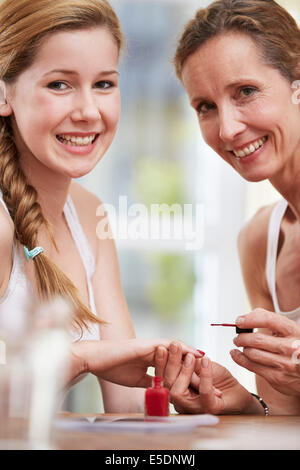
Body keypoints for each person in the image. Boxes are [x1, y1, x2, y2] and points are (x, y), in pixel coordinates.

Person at [0, 0, 201, 413]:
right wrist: (83, 358)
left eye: (105, 84)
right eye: (59, 84)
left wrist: (175, 389)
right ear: (5, 93)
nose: (89, 111)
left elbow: (126, 408)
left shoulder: (89, 217)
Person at [156, 0, 300, 415]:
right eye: (206, 106)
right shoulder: (260, 241)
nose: (227, 128)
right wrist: (243, 406)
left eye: (247, 92)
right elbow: (287, 422)